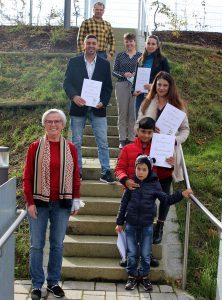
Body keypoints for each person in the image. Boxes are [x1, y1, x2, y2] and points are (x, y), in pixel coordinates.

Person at [23, 109, 81, 300]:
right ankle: (37, 285)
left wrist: (75, 200)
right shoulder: (35, 147)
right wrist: (30, 202)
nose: (53, 125)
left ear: (63, 125)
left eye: (57, 121)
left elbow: (75, 177)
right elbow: (27, 177)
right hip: (38, 203)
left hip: (61, 204)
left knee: (57, 244)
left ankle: (53, 282)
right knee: (37, 245)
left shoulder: (71, 148)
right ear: (44, 124)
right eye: (49, 122)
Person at [115, 154, 192, 291]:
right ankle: (132, 276)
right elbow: (124, 203)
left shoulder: (155, 184)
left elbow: (166, 200)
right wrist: (119, 222)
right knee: (132, 253)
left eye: (144, 169)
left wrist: (181, 194)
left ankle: (144, 277)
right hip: (131, 224)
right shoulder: (131, 182)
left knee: (145, 254)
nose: (140, 172)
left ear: (149, 170)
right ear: (135, 169)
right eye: (138, 168)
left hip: (147, 225)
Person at [135, 71, 190, 244]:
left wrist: (175, 140)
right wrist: (147, 130)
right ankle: (146, 225)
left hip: (166, 156)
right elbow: (137, 125)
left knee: (165, 194)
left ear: (170, 87)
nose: (161, 88)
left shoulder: (177, 106)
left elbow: (185, 130)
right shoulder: (146, 103)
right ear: (155, 85)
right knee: (147, 193)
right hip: (148, 155)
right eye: (159, 84)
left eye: (165, 85)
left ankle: (159, 226)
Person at [115, 117, 174, 267]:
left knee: (146, 226)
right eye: (143, 131)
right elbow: (119, 169)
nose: (146, 135)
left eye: (149, 132)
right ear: (137, 131)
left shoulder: (158, 148)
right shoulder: (128, 148)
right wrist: (125, 180)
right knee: (130, 226)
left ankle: (147, 254)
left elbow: (163, 174)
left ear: (154, 132)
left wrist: (170, 165)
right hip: (131, 194)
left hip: (149, 195)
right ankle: (127, 255)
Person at [63, 34, 115, 184]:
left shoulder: (104, 64)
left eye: (94, 43)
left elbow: (107, 88)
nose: (91, 46)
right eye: (89, 43)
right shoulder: (74, 62)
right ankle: (77, 172)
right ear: (84, 45)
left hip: (97, 108)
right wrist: (74, 97)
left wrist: (103, 102)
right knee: (76, 141)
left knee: (103, 142)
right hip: (78, 107)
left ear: (97, 46)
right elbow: (67, 83)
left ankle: (105, 172)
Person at [112, 32, 142, 149]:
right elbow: (114, 71)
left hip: (136, 86)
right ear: (124, 43)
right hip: (122, 85)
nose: (129, 43)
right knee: (122, 113)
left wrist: (137, 74)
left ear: (135, 42)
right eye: (127, 41)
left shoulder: (140, 56)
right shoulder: (120, 56)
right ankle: (122, 140)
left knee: (133, 114)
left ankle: (131, 139)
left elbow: (144, 70)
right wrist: (124, 74)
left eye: (131, 41)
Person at [132, 35, 170, 119]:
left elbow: (168, 79)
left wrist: (153, 86)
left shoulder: (163, 60)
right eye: (148, 43)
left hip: (155, 96)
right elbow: (136, 77)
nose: (150, 46)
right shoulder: (140, 60)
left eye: (153, 44)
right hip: (140, 96)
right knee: (139, 122)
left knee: (152, 123)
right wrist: (133, 90)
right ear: (145, 44)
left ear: (157, 46)